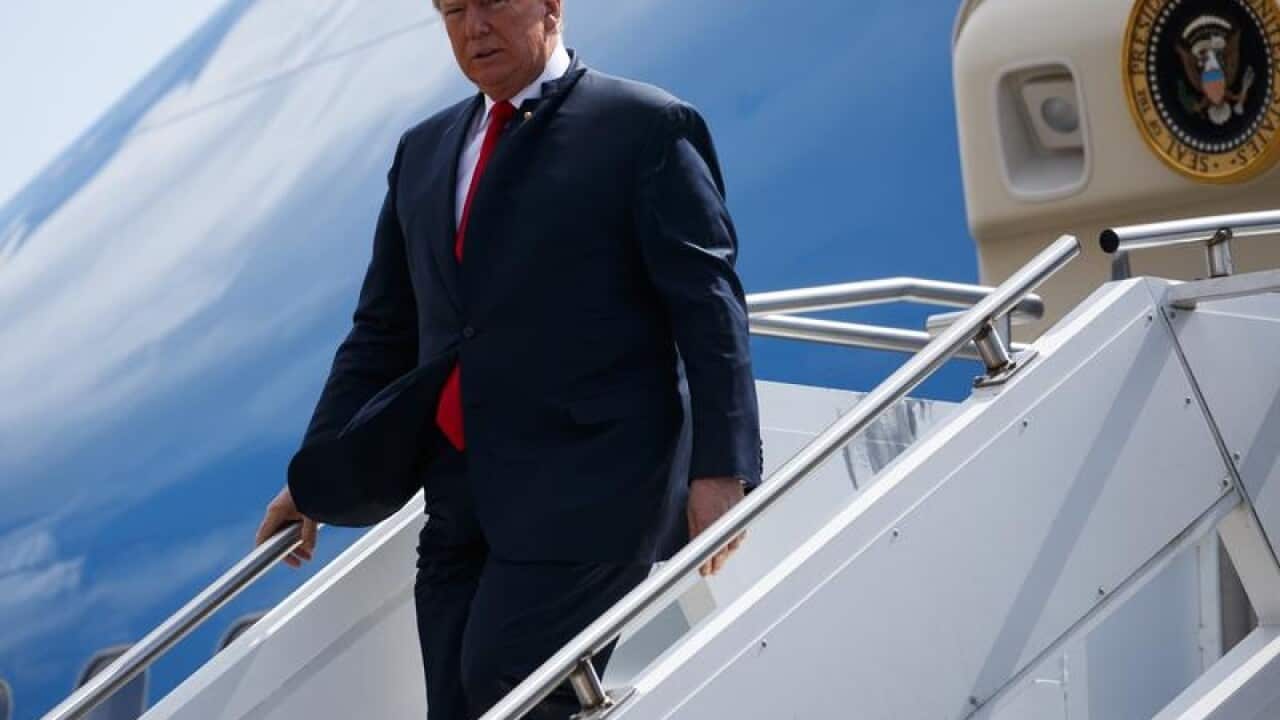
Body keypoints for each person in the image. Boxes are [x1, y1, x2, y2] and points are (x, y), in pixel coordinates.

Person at [254, 0, 762, 717]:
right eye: (453, 10)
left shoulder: (645, 127)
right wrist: (316, 471)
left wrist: (721, 470)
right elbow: (381, 334)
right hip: (463, 498)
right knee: (458, 706)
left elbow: (708, 307)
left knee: (508, 686)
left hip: (598, 487)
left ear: (551, 5)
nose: (473, 27)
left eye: (490, 2)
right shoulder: (423, 153)